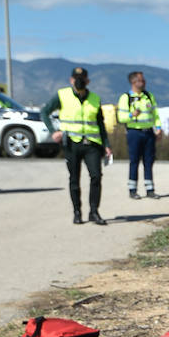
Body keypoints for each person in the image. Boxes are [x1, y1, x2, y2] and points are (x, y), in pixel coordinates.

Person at [43, 66, 111, 225]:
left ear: (88, 81)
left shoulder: (95, 98)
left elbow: (100, 124)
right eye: (76, 78)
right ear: (71, 80)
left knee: (96, 176)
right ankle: (77, 212)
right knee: (74, 179)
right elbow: (44, 112)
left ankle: (94, 211)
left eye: (82, 79)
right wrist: (54, 131)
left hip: (92, 144)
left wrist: (107, 144)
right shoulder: (62, 95)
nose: (79, 81)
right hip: (71, 143)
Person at [117, 71, 162, 200]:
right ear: (133, 82)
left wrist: (158, 128)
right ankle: (132, 189)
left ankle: (150, 189)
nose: (143, 83)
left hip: (148, 132)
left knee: (149, 161)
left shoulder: (148, 96)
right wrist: (132, 115)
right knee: (134, 161)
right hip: (134, 132)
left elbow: (155, 115)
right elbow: (121, 117)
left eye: (144, 80)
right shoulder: (126, 97)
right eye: (141, 81)